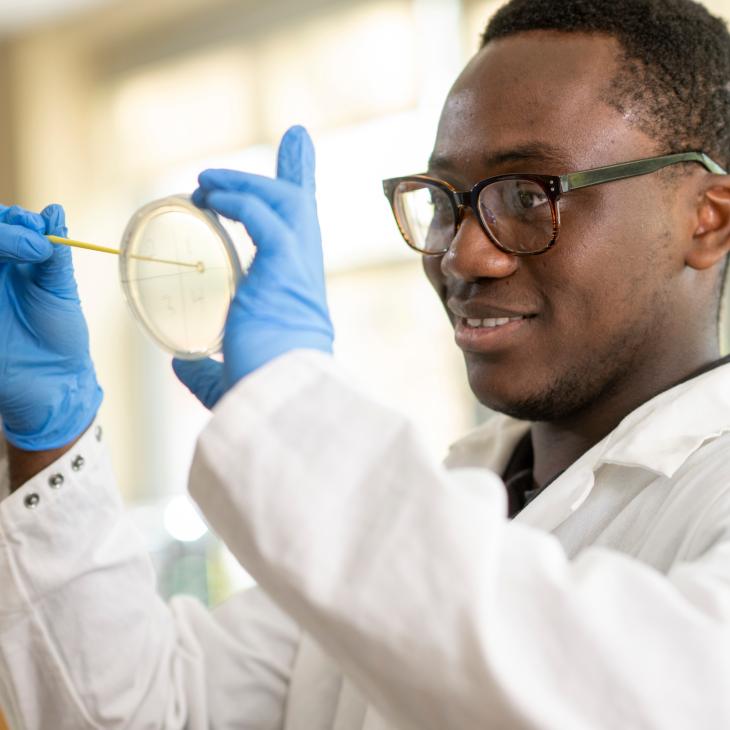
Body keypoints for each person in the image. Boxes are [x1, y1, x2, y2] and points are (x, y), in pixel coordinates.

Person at [1, 0, 730, 727]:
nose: (460, 254)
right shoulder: (451, 493)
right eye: (447, 201)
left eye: (528, 195)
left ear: (709, 218)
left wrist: (294, 410)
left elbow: (626, 698)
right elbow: (151, 713)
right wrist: (51, 443)